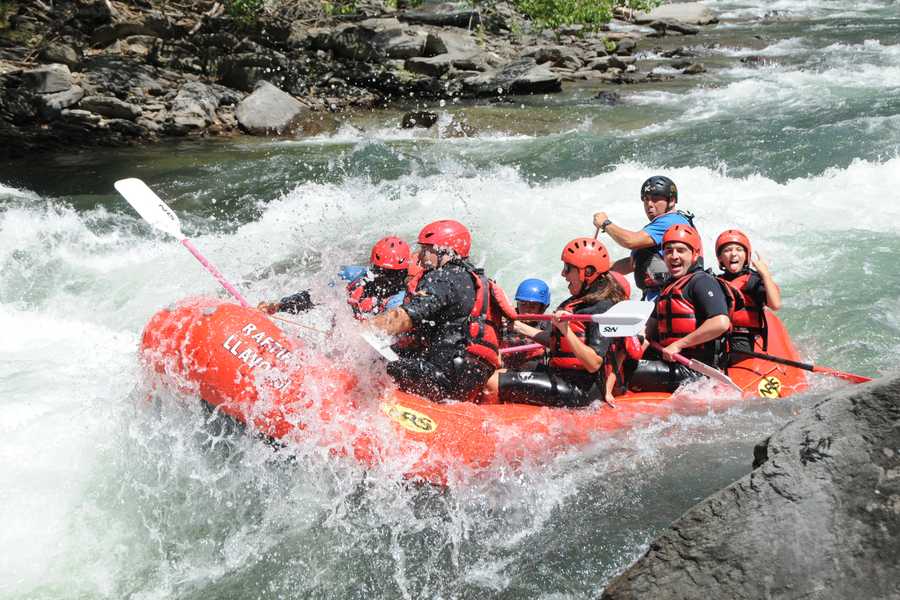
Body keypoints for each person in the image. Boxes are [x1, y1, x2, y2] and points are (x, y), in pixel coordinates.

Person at [368, 220, 515, 403]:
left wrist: (361, 330)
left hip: (441, 378)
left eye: (424, 250)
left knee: (371, 361)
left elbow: (405, 317)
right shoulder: (476, 280)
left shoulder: (446, 277)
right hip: (470, 382)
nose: (419, 258)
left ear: (443, 250)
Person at [484, 238, 626, 407]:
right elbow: (557, 343)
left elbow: (593, 363)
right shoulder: (579, 301)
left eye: (568, 268)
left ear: (587, 272)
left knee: (491, 383)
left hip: (580, 390)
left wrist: (566, 331)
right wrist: (520, 326)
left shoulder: (602, 307)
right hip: (560, 375)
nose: (563, 274)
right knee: (496, 373)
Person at [627, 224, 732, 393]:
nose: (674, 256)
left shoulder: (702, 282)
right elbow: (649, 329)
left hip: (695, 370)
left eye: (680, 250)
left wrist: (679, 345)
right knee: (622, 365)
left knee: (629, 373)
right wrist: (632, 348)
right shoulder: (668, 288)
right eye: (668, 251)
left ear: (694, 254)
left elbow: (720, 323)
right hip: (670, 362)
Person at [592, 176, 696, 301]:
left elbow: (630, 241)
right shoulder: (662, 224)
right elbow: (632, 263)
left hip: (671, 297)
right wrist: (600, 269)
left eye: (655, 199)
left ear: (672, 201)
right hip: (659, 296)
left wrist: (605, 223)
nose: (649, 204)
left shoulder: (671, 221)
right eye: (646, 200)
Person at [257, 236, 410, 317]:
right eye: (380, 271)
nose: (385, 278)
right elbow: (315, 297)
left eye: (392, 273)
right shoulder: (354, 276)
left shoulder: (401, 299)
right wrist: (279, 306)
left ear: (403, 272)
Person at [715, 229, 782, 358]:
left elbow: (775, 305)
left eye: (739, 250)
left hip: (744, 338)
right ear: (720, 258)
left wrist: (765, 274)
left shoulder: (753, 280)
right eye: (727, 250)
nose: (733, 254)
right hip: (717, 337)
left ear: (746, 256)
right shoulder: (714, 281)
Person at [501, 278, 552, 370]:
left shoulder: (548, 325)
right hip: (506, 371)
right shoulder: (505, 320)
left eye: (533, 306)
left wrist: (520, 328)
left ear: (542, 308)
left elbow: (554, 343)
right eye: (523, 304)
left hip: (536, 373)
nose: (527, 309)